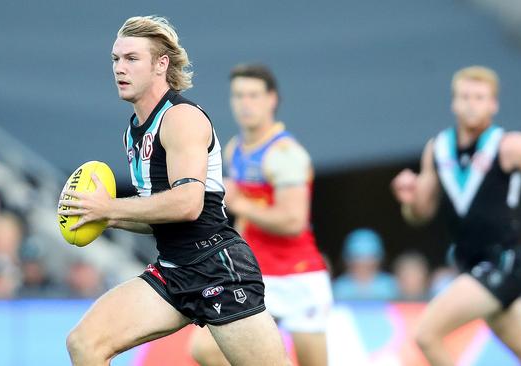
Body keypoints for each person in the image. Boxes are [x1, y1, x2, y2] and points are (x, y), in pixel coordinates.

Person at [57, 16, 289, 366]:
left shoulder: (181, 118)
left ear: (160, 64)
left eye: (132, 58)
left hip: (217, 268)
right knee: (84, 343)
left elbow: (187, 205)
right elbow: (156, 214)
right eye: (115, 59)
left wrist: (110, 209)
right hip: (172, 270)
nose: (120, 68)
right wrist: (103, 217)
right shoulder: (133, 131)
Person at [391, 65, 521, 365]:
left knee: (426, 334)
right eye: (465, 96)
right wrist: (409, 200)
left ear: (493, 105)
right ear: (453, 102)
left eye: (480, 97)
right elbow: (421, 214)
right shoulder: (438, 148)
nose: (471, 103)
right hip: (471, 265)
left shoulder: (509, 145)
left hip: (502, 263)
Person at [189, 64, 331, 366]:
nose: (245, 103)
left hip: (298, 278)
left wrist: (241, 205)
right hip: (257, 275)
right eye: (238, 95)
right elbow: (244, 220)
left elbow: (294, 221)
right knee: (205, 349)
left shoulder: (284, 153)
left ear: (272, 100)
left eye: (253, 95)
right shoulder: (234, 148)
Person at [332, 228, 397, 301]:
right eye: (357, 257)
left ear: (379, 260)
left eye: (369, 258)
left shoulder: (389, 286)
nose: (363, 263)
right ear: (347, 261)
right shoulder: (340, 287)